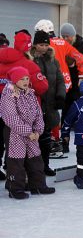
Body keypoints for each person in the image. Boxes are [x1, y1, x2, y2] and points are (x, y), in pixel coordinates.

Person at [0, 66, 55, 198]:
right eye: (21, 79)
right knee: (16, 161)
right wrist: (27, 132)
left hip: (32, 133)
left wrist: (37, 131)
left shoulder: (30, 93)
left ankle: (38, 185)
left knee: (35, 158)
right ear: (14, 80)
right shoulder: (8, 95)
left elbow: (38, 114)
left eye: (27, 78)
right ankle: (15, 188)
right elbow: (11, 118)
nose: (25, 81)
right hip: (15, 133)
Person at [31, 30, 66, 173]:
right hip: (35, 104)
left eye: (46, 45)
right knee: (34, 138)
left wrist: (60, 96)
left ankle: (45, 165)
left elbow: (60, 80)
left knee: (46, 137)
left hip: (50, 104)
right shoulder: (31, 59)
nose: (44, 48)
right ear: (35, 45)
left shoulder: (53, 60)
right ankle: (34, 167)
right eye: (41, 44)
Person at [60, 23, 83, 153]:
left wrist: (72, 63)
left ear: (73, 35)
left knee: (80, 115)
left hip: (79, 86)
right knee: (66, 115)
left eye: (67, 36)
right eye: (63, 36)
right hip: (67, 85)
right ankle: (64, 142)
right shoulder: (62, 45)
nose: (65, 39)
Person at [33, 19, 83, 93]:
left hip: (50, 83)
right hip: (65, 83)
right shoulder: (63, 42)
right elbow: (80, 57)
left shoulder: (43, 45)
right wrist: (82, 75)